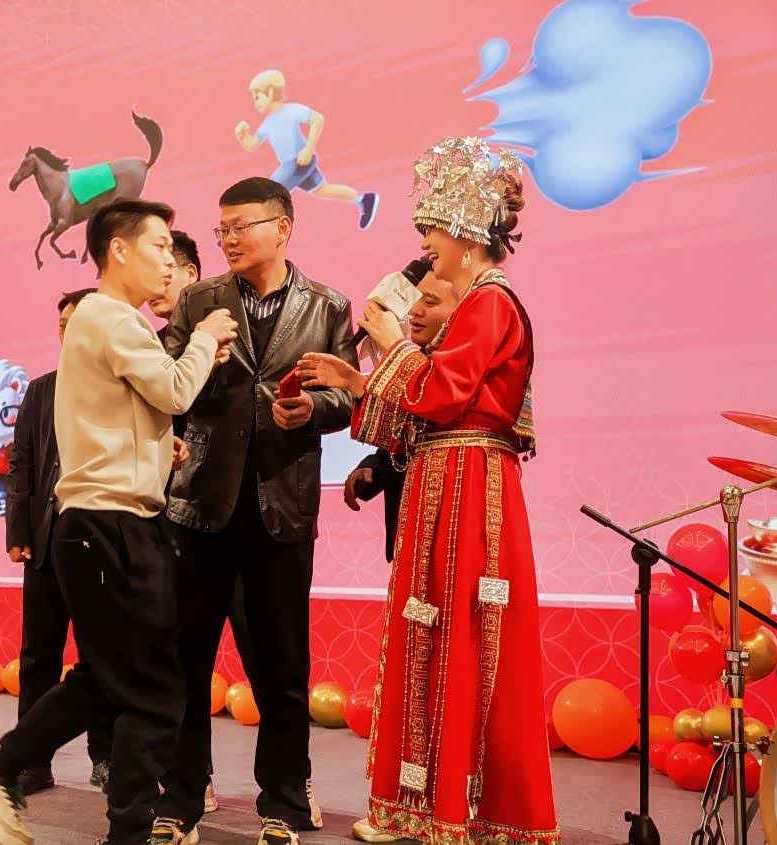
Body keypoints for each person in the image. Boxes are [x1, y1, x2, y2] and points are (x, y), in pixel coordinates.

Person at [0, 199, 238, 845]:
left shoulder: (108, 322)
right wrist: (205, 337)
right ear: (119, 251)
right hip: (109, 526)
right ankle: (20, 783)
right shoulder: (110, 317)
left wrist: (157, 446)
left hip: (113, 522)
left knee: (113, 678)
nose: (169, 262)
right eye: (159, 247)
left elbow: (134, 409)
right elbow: (173, 391)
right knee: (154, 688)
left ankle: (7, 778)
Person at [297, 136, 559, 845]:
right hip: (443, 477)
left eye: (432, 231)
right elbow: (424, 407)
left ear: (466, 233)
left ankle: (457, 809)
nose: (424, 246)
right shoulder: (477, 303)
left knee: (462, 633)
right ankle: (417, 805)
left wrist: (389, 343)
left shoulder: (489, 302)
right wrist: (358, 378)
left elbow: (441, 394)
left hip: (469, 482)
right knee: (432, 632)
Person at [153, 177, 356, 845]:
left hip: (281, 503)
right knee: (185, 660)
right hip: (200, 502)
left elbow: (347, 395)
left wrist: (312, 409)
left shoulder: (327, 305)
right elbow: (168, 385)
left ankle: (284, 802)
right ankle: (181, 800)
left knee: (282, 665)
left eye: (241, 226)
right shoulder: (198, 301)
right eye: (222, 230)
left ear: (282, 228)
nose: (229, 240)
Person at [153, 229, 260, 815]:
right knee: (182, 657)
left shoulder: (231, 325)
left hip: (251, 513)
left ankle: (289, 785)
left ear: (191, 275)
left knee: (264, 652)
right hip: (179, 514)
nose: (157, 282)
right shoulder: (155, 347)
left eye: (165, 266)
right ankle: (190, 782)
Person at [5, 286, 114, 796]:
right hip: (46, 542)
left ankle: (106, 756)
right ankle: (32, 761)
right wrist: (18, 531)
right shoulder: (41, 389)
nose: (67, 332)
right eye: (62, 324)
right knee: (38, 657)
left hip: (99, 543)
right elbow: (22, 463)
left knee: (101, 657)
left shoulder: (117, 383)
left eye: (77, 322)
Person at [343, 271, 461, 562]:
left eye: (430, 302)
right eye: (414, 301)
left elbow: (441, 429)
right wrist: (376, 467)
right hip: (409, 533)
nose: (415, 312)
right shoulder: (416, 364)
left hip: (453, 527)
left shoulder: (461, 370)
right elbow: (411, 438)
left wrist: (357, 380)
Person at [235, 69, 378, 230]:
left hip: (298, 162)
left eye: (257, 97)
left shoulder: (291, 111)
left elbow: (318, 119)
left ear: (270, 92)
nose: (255, 103)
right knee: (322, 190)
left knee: (268, 192)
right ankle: (363, 200)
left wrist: (308, 149)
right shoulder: (268, 122)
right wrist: (243, 137)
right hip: (294, 164)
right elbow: (253, 144)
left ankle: (243, 229)